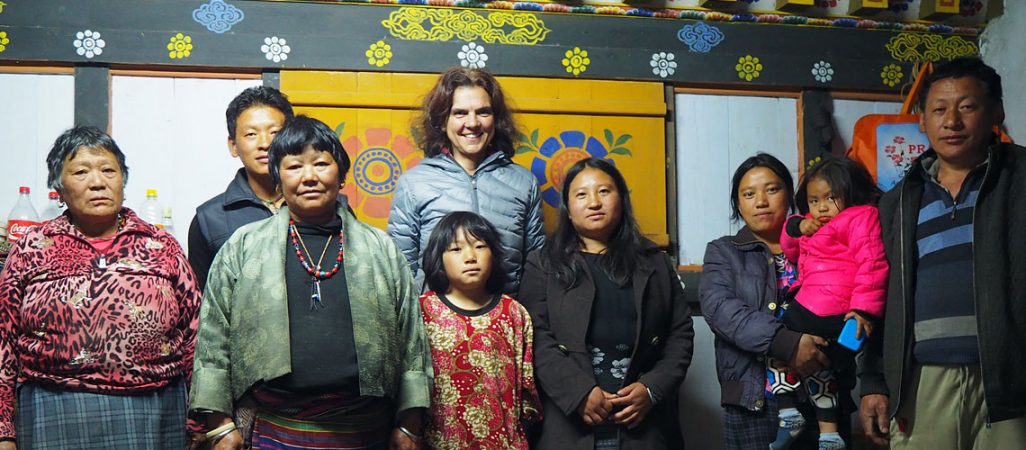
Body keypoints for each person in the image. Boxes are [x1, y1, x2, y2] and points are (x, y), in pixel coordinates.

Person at [189, 115, 431, 450]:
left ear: (341, 174)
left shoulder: (380, 248)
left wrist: (410, 425)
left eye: (321, 163)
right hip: (275, 429)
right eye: (294, 166)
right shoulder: (243, 246)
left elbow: (411, 338)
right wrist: (219, 425)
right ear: (278, 178)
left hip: (366, 429)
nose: (309, 177)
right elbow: (213, 335)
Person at [858, 57, 1026, 448]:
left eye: (967, 106)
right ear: (922, 120)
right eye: (939, 109)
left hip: (1013, 380)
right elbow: (880, 294)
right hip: (922, 381)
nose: (952, 121)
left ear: (997, 112)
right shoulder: (898, 202)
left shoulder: (1020, 179)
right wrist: (874, 380)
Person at [0, 126, 201, 449]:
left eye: (109, 170)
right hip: (55, 407)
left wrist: (201, 420)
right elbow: (4, 340)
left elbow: (195, 336)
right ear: (58, 186)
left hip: (155, 410)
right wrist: (4, 431)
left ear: (123, 180)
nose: (97, 182)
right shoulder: (32, 247)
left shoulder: (161, 246)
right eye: (80, 172)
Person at [519, 157, 694, 449]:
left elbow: (680, 334)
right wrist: (577, 392)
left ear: (621, 200)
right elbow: (535, 337)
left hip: (643, 423)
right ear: (568, 210)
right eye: (581, 194)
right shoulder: (543, 264)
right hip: (568, 422)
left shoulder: (655, 262)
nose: (594, 202)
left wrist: (651, 389)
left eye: (604, 191)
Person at [700, 153, 836, 450]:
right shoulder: (723, 252)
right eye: (749, 194)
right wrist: (787, 343)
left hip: (824, 398)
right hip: (755, 403)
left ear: (789, 195)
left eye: (772, 189)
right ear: (738, 204)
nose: (761, 201)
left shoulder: (823, 242)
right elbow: (720, 308)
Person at [388, 67, 544, 294]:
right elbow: (400, 270)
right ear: (442, 122)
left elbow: (536, 271)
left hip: (505, 313)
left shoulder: (524, 184)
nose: (472, 123)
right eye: (460, 113)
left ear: (496, 120)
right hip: (432, 314)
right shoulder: (413, 184)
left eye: (483, 112)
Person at [770, 157, 887, 450]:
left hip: (823, 306)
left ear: (850, 193)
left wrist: (863, 310)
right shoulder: (817, 226)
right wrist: (799, 226)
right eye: (814, 200)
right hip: (822, 305)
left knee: (775, 345)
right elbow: (791, 250)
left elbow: (872, 264)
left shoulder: (860, 217)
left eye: (831, 197)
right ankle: (830, 434)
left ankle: (787, 412)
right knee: (821, 367)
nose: (822, 207)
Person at [417, 211, 542, 449]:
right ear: (438, 258)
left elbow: (527, 391)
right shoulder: (422, 311)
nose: (470, 257)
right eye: (456, 249)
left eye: (480, 246)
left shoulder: (513, 313)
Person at [188, 86, 295, 290]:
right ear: (233, 146)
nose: (265, 143)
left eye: (275, 132)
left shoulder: (329, 207)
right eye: (251, 134)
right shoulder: (209, 219)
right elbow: (201, 300)